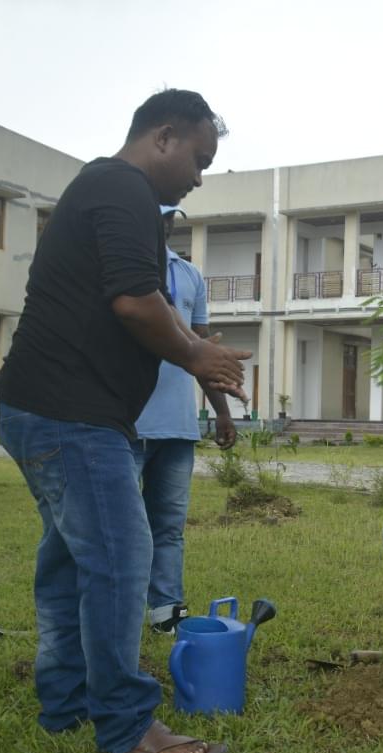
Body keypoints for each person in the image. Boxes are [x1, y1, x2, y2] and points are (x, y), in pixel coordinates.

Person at [0, 89, 251, 753]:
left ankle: (66, 701)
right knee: (119, 558)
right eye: (199, 159)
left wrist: (194, 350)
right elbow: (135, 302)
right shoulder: (123, 187)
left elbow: (146, 300)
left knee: (69, 559)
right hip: (70, 414)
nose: (199, 177)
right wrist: (196, 355)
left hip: (43, 407)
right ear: (163, 136)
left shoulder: (105, 187)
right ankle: (128, 725)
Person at [133, 205, 242, 635]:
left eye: (169, 219)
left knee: (169, 526)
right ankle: (118, 611)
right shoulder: (122, 266)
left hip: (177, 426)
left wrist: (222, 411)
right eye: (156, 216)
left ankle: (165, 612)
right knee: (123, 526)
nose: (164, 225)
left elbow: (202, 349)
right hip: (125, 423)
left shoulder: (189, 274)